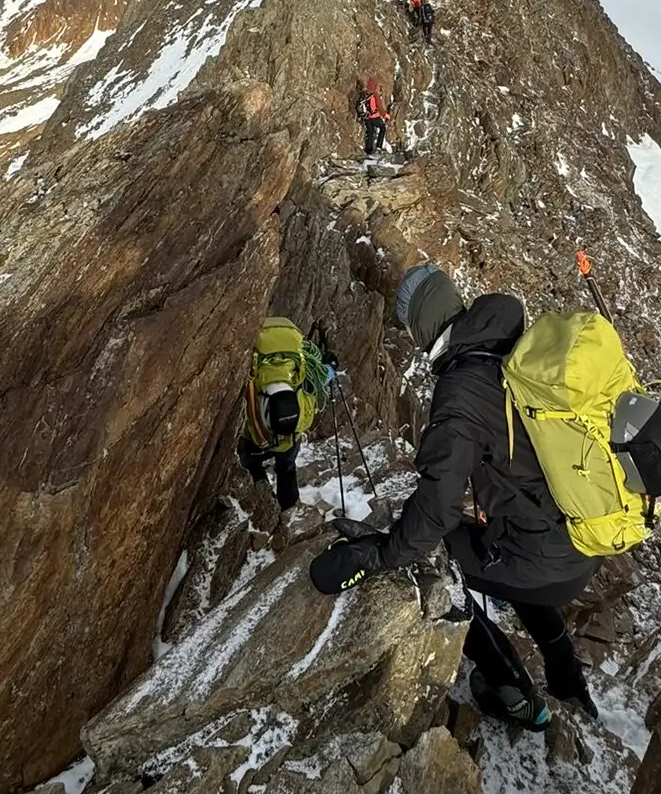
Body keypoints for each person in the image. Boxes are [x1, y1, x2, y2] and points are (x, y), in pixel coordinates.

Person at [308, 266, 608, 726]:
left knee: (439, 562)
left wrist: (378, 555)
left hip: (548, 558)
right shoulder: (508, 347)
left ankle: (517, 696)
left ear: (419, 327)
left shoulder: (461, 389)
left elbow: (435, 513)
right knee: (508, 558)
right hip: (583, 536)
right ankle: (567, 679)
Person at [239, 317, 330, 511]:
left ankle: (262, 503)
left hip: (256, 436)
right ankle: (288, 508)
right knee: (286, 468)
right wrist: (330, 367)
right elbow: (318, 381)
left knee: (251, 465)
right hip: (287, 439)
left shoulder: (254, 374)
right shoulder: (299, 417)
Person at [357, 78, 389, 161]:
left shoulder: (364, 94)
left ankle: (368, 151)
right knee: (382, 128)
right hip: (375, 117)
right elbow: (380, 107)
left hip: (366, 118)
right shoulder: (375, 95)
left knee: (370, 132)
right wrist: (386, 115)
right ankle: (378, 149)